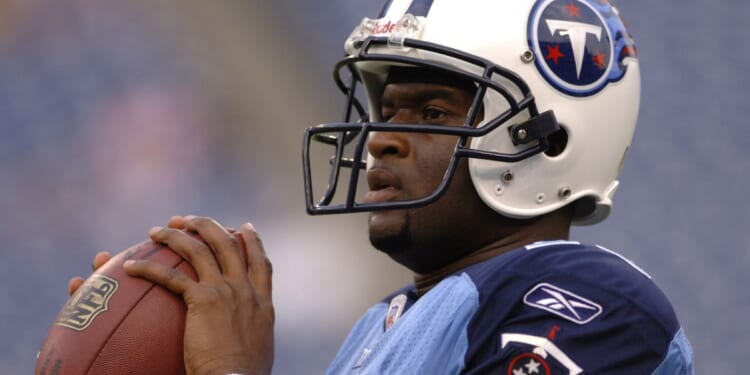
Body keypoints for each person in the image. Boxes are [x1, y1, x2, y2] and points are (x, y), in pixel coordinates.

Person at [69, 0, 695, 373]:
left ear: (548, 138)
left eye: (430, 114)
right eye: (386, 112)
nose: (382, 139)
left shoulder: (590, 300)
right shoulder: (382, 326)